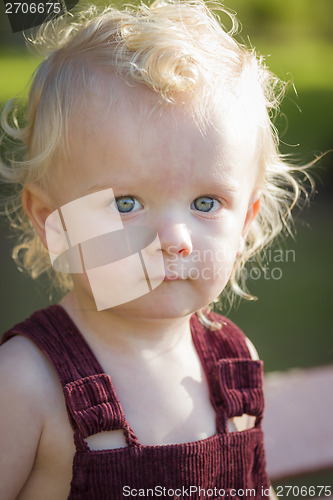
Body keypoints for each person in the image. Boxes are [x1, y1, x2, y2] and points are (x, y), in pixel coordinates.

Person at [0, 1, 310, 498]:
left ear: (246, 221)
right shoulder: (26, 383)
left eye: (205, 202)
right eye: (127, 203)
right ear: (52, 221)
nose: (174, 238)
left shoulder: (232, 361)